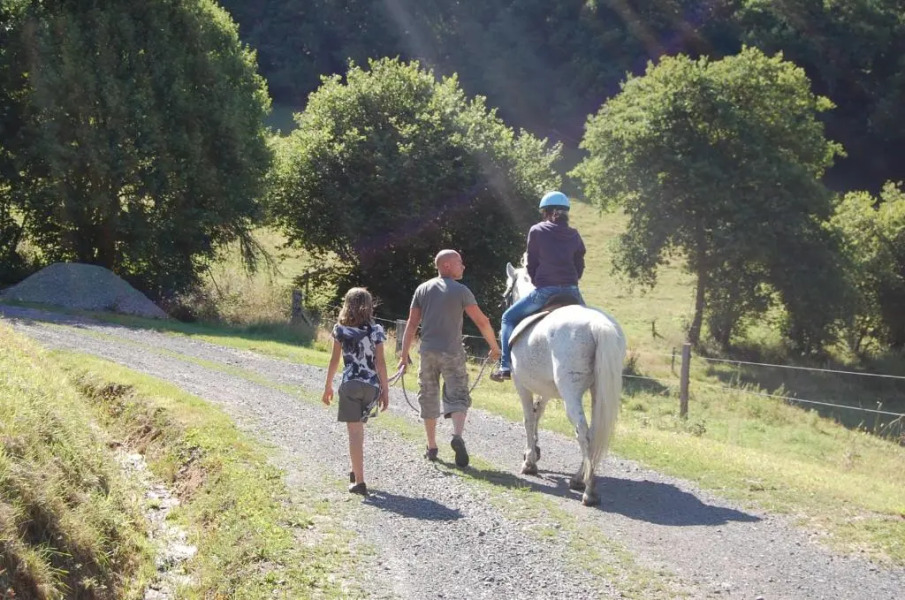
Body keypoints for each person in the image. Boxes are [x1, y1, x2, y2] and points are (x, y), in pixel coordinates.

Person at [397, 249, 501, 467]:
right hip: (452, 353)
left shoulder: (422, 289)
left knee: (428, 395)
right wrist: (494, 347)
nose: (463, 266)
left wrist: (404, 354)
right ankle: (456, 436)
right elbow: (482, 321)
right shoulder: (462, 291)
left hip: (427, 353)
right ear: (446, 266)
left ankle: (432, 446)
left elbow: (412, 323)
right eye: (459, 263)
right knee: (458, 395)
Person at [491, 191, 586, 382]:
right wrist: (572, 281)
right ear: (566, 212)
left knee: (507, 317)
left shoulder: (537, 231)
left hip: (545, 291)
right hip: (572, 291)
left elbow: (531, 263)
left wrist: (537, 281)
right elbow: (580, 264)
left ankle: (505, 365)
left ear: (545, 212)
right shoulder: (574, 234)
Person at [322, 287, 389, 496]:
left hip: (350, 383)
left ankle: (359, 481)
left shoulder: (340, 330)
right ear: (369, 306)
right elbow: (381, 363)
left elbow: (334, 360)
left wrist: (328, 386)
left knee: (354, 432)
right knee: (359, 430)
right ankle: (355, 471)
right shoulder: (376, 330)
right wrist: (385, 390)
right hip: (371, 386)